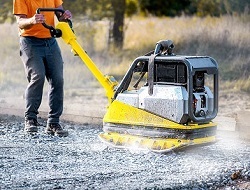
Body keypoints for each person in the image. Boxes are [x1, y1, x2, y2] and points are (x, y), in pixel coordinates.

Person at [13, 0, 72, 137]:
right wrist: (32, 20)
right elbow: (20, 22)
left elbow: (60, 14)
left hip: (50, 41)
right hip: (30, 41)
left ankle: (53, 122)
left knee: (58, 79)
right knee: (38, 76)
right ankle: (30, 119)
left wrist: (65, 16)